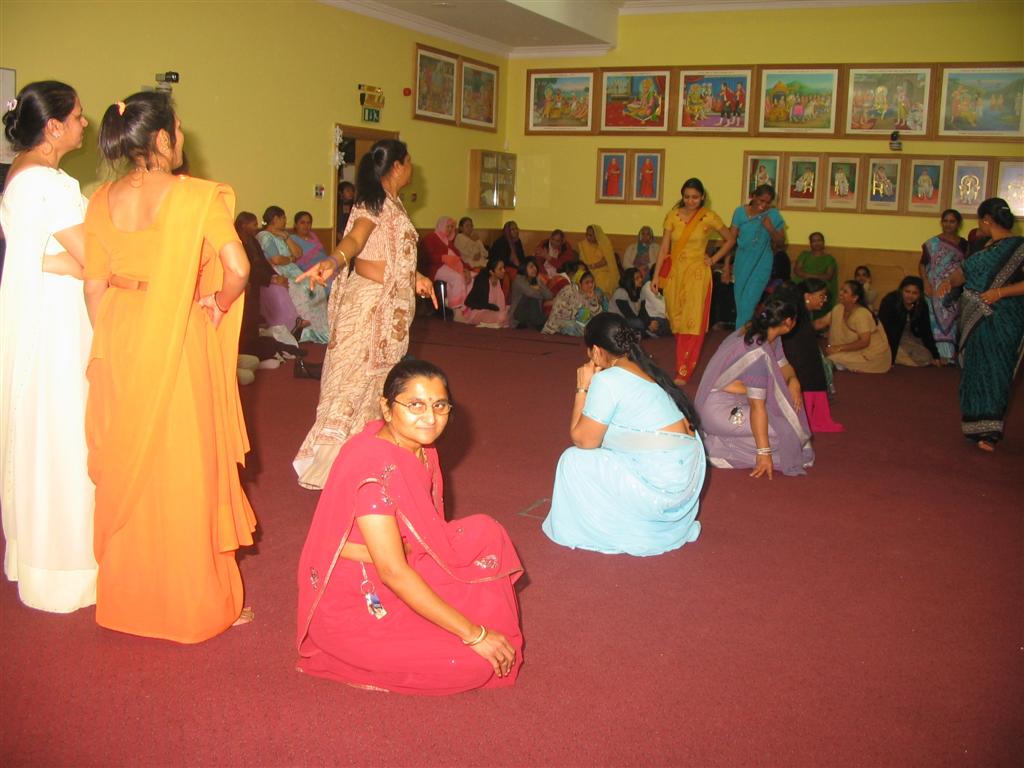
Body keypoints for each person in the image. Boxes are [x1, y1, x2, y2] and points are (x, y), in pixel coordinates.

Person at [83, 91, 256, 641]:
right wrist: (218, 303)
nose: (182, 139)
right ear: (161, 139)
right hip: (177, 335)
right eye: (178, 131)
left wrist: (110, 338)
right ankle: (192, 602)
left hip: (120, 333)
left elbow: (93, 285)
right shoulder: (197, 197)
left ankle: (128, 599)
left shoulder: (100, 197)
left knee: (129, 461)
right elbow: (238, 268)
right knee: (184, 464)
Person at [296, 360, 523, 693]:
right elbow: (392, 571)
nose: (430, 418)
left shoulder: (420, 449)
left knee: (486, 535)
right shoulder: (373, 469)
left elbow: (421, 530)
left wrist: (408, 549)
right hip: (360, 602)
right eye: (415, 405)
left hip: (400, 561)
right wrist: (476, 634)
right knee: (473, 663)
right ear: (387, 408)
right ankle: (352, 662)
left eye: (440, 405)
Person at [0, 80, 97, 613]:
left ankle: (40, 556)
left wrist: (56, 262)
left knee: (42, 428)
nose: (85, 124)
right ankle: (65, 568)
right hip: (55, 323)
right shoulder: (45, 184)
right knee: (60, 432)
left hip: (45, 308)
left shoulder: (27, 175)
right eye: (79, 117)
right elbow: (91, 256)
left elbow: (38, 254)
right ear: (53, 126)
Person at [294, 139, 436, 489]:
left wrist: (415, 277)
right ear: (398, 167)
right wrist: (332, 261)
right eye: (410, 161)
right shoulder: (371, 204)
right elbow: (356, 243)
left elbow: (386, 256)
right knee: (352, 383)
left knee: (376, 385)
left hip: (388, 317)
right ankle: (331, 468)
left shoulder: (394, 205)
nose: (412, 167)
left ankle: (362, 462)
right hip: (368, 312)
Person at [542, 314, 705, 556]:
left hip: (663, 486)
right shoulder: (647, 370)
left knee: (572, 460)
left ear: (596, 351)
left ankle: (611, 528)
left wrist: (582, 388)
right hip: (685, 481)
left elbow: (583, 440)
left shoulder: (608, 380)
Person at [937, 197, 1024, 452]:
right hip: (975, 321)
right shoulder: (983, 246)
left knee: (996, 370)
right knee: (975, 369)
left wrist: (999, 293)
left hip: (1003, 318)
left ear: (987, 220)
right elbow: (963, 272)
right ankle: (975, 424)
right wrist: (948, 282)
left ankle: (990, 432)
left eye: (980, 220)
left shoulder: (1020, 248)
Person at [694, 297, 814, 478]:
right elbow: (757, 406)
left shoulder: (767, 335)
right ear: (788, 322)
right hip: (718, 408)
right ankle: (718, 450)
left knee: (788, 420)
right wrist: (763, 453)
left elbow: (784, 366)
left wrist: (792, 380)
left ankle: (724, 440)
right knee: (782, 431)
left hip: (738, 398)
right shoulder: (757, 350)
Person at [651, 178, 736, 384]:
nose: (691, 201)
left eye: (695, 197)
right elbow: (664, 248)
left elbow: (731, 239)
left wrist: (714, 259)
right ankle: (682, 363)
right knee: (676, 319)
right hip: (674, 274)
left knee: (693, 321)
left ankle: (684, 370)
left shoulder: (708, 217)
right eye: (687, 197)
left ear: (702, 197)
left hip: (698, 274)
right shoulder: (672, 216)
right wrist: (655, 275)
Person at [774, 280, 843, 433]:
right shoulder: (795, 318)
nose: (824, 300)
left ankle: (813, 414)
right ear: (807, 296)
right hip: (797, 369)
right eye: (821, 296)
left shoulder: (802, 315)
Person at [258, 206, 329, 343]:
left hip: (292, 269)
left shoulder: (282, 235)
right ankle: (303, 332)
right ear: (275, 219)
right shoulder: (264, 236)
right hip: (279, 271)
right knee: (303, 290)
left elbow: (298, 253)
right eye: (283, 217)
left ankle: (318, 330)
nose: (285, 220)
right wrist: (290, 259)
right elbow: (276, 259)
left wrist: (286, 237)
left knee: (317, 287)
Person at [730, 184, 786, 327]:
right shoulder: (740, 213)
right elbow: (730, 240)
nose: (764, 205)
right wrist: (725, 266)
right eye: (761, 200)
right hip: (741, 261)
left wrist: (771, 229)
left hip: (762, 263)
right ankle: (744, 337)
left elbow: (781, 242)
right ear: (753, 196)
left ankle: (738, 340)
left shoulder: (773, 215)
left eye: (768, 203)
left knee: (749, 303)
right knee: (741, 304)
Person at [919, 209, 968, 362]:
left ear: (958, 224)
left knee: (951, 320)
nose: (948, 224)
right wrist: (926, 283)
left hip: (953, 288)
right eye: (945, 221)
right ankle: (935, 354)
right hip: (933, 288)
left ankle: (948, 355)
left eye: (952, 221)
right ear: (941, 223)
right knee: (933, 320)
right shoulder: (932, 243)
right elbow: (922, 265)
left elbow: (967, 266)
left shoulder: (964, 244)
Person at [820, 280, 890, 373]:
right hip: (855, 350)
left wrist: (839, 348)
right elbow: (821, 323)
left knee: (831, 359)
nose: (840, 293)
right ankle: (842, 363)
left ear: (855, 298)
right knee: (830, 358)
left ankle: (841, 363)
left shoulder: (861, 314)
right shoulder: (839, 308)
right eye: (841, 290)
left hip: (872, 354)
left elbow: (864, 342)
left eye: (845, 291)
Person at [878, 276, 941, 367]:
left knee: (927, 357)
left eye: (914, 293)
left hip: (909, 337)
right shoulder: (890, 301)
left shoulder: (922, 305)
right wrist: (890, 359)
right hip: (888, 338)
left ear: (920, 294)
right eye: (907, 291)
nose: (910, 295)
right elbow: (887, 330)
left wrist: (936, 355)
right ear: (901, 290)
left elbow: (926, 331)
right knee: (922, 360)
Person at [542, 270, 607, 336]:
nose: (590, 285)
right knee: (572, 326)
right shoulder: (568, 291)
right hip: (559, 325)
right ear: (579, 283)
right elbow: (557, 313)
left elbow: (598, 314)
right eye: (587, 282)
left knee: (597, 324)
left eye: (592, 282)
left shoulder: (589, 294)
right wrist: (577, 314)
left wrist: (593, 300)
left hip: (578, 323)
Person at [793, 232, 837, 319]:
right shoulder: (804, 255)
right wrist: (814, 277)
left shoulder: (829, 259)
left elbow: (829, 276)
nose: (817, 243)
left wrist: (810, 277)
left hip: (820, 287)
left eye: (819, 240)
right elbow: (797, 270)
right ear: (810, 243)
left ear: (823, 242)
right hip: (803, 285)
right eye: (814, 241)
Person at [610, 267, 659, 337]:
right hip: (618, 323)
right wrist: (647, 323)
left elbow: (643, 312)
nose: (641, 279)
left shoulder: (640, 292)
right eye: (637, 278)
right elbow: (628, 314)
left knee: (656, 319)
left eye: (641, 277)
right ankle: (645, 333)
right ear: (629, 280)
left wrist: (650, 321)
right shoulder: (620, 292)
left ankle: (643, 333)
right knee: (637, 323)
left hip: (633, 321)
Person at [463, 255, 509, 328]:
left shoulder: (498, 281)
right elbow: (469, 301)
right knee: (502, 316)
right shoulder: (482, 281)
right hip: (479, 313)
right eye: (500, 269)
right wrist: (489, 306)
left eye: (503, 268)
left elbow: (500, 303)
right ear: (491, 272)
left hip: (492, 312)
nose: (503, 270)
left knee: (510, 311)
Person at [509, 257, 553, 330]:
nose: (534, 269)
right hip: (517, 317)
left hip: (530, 317)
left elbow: (549, 295)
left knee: (533, 296)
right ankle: (539, 322)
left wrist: (538, 284)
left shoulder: (535, 280)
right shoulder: (518, 280)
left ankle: (539, 321)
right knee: (530, 296)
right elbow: (531, 293)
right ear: (524, 268)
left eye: (535, 266)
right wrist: (538, 291)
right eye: (531, 267)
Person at [577, 224, 619, 298]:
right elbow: (581, 260)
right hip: (587, 269)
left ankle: (602, 301)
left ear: (597, 235)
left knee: (602, 280)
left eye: (591, 235)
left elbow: (607, 260)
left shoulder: (605, 244)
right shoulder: (583, 244)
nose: (588, 237)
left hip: (603, 270)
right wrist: (588, 268)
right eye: (587, 234)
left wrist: (593, 266)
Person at [419, 215, 461, 280]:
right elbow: (428, 257)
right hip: (435, 268)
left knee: (471, 278)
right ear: (441, 226)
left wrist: (467, 269)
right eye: (447, 226)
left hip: (451, 268)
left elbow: (458, 257)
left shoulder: (448, 241)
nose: (450, 229)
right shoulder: (431, 237)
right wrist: (443, 258)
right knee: (458, 278)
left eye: (452, 227)